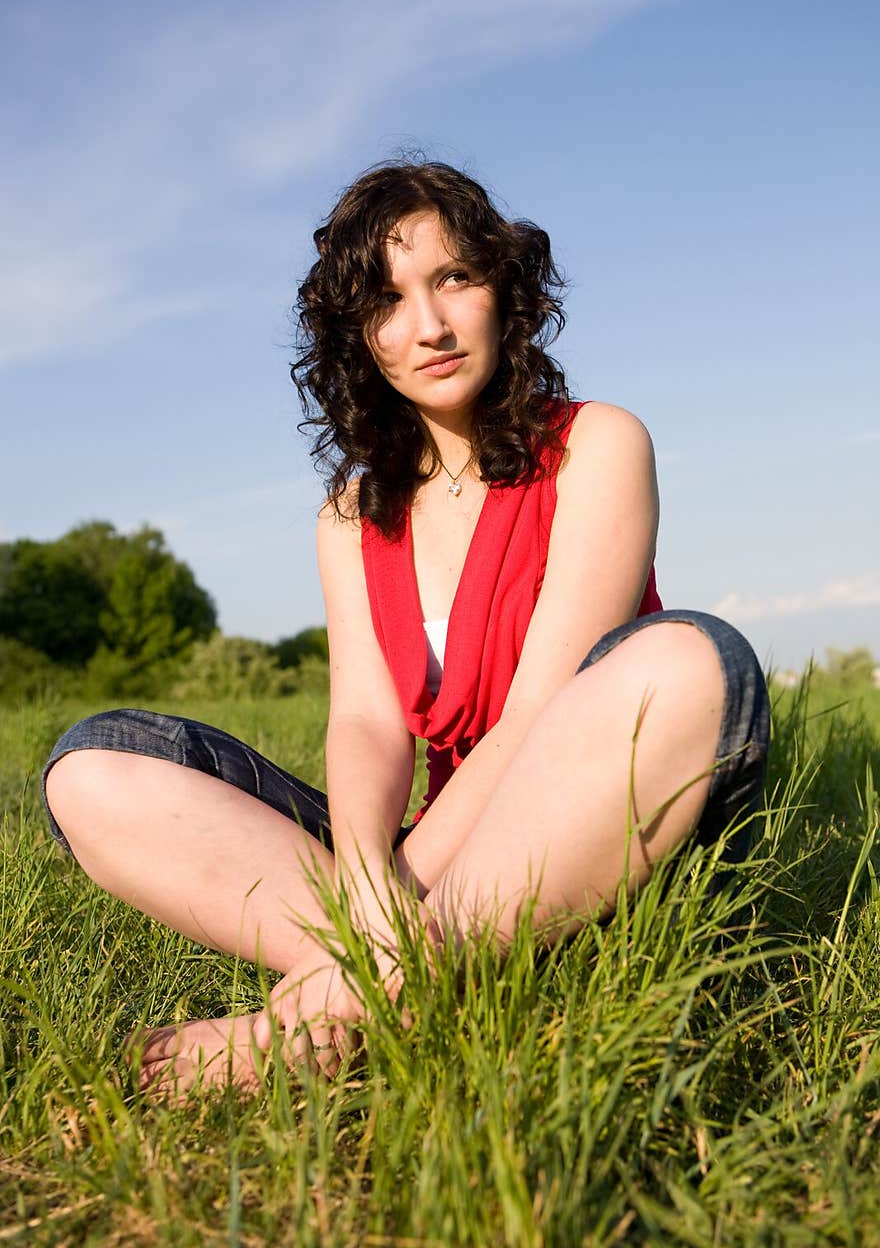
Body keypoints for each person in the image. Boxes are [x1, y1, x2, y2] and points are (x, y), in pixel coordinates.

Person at [41, 159, 770, 1097]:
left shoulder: (598, 445)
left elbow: (540, 710)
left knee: (687, 662)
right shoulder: (350, 517)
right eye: (388, 300)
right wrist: (369, 881)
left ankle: (315, 1010)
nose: (428, 324)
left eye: (454, 278)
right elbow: (367, 726)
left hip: (597, 847)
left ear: (504, 289)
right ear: (359, 339)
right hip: (444, 871)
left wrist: (380, 909)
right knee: (95, 766)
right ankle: (420, 968)